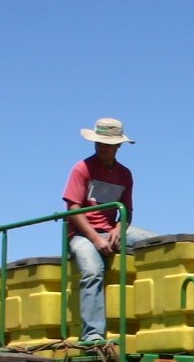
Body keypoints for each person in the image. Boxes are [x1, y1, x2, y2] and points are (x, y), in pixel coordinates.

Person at [65, 117, 151, 343]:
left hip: (111, 230)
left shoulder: (125, 174)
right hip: (82, 234)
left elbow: (127, 211)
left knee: (158, 245)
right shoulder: (82, 168)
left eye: (107, 144)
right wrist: (95, 239)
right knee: (92, 271)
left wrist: (119, 228)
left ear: (118, 146)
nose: (102, 147)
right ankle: (93, 335)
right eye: (99, 143)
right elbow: (73, 208)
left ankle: (156, 322)